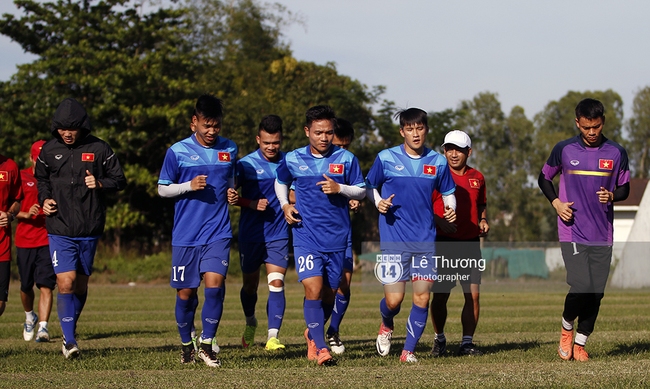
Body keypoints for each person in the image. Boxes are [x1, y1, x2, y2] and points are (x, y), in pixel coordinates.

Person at [538, 98, 630, 362]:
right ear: (577, 123)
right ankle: (567, 328)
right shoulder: (564, 149)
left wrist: (612, 196)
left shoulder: (616, 152)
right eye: (587, 127)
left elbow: (624, 187)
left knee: (597, 291)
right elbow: (544, 177)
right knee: (581, 285)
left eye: (597, 127)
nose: (592, 133)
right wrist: (556, 203)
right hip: (572, 230)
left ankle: (580, 343)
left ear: (603, 123)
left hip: (602, 233)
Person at [35, 98, 126, 359]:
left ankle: (68, 329)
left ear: (82, 127)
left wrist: (99, 183)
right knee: (66, 282)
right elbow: (41, 179)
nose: (67, 133)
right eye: (62, 128)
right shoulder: (48, 150)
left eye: (72, 128)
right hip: (59, 227)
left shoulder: (99, 148)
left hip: (89, 227)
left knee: (80, 286)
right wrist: (45, 200)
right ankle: (70, 341)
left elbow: (119, 180)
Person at [275, 105, 365, 366]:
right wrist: (284, 205)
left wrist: (340, 188)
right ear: (307, 131)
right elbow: (280, 182)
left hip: (337, 238)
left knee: (330, 294)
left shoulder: (346, 159)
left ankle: (312, 333)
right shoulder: (292, 159)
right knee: (313, 289)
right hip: (306, 236)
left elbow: (361, 191)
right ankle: (323, 348)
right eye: (318, 132)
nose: (324, 138)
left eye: (328, 132)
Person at [365, 107, 456, 363]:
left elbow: (448, 192)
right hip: (394, 240)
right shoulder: (385, 158)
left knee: (422, 297)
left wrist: (451, 210)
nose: (416, 134)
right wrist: (378, 202)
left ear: (426, 129)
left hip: (425, 241)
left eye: (420, 128)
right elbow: (370, 186)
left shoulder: (437, 162)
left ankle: (408, 351)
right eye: (410, 129)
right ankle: (386, 323)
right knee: (394, 301)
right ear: (402, 131)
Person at [158, 94, 237, 367]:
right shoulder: (177, 151)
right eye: (207, 125)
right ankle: (186, 344)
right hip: (186, 235)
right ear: (194, 122)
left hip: (218, 231)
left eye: (217, 126)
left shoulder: (229, 149)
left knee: (215, 285)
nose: (212, 131)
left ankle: (207, 344)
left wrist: (232, 192)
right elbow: (162, 188)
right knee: (186, 294)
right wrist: (188, 186)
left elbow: (230, 177)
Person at [226, 115, 289, 351]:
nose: (271, 147)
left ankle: (273, 337)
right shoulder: (246, 165)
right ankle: (251, 322)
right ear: (257, 140)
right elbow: (231, 195)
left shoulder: (289, 163)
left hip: (278, 233)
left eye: (276, 143)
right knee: (250, 286)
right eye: (266, 143)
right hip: (251, 235)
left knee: (276, 283)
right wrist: (250, 203)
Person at [429, 130, 489, 357]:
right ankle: (439, 340)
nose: (453, 154)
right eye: (449, 149)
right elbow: (423, 207)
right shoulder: (435, 175)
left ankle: (467, 343)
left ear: (469, 152)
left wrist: (483, 220)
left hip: (470, 243)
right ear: (444, 151)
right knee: (441, 294)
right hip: (443, 243)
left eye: (459, 150)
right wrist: (440, 223)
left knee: (472, 295)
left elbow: (481, 204)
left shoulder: (478, 177)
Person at [324, 117, 359, 354]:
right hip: (316, 235)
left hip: (343, 232)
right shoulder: (314, 161)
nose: (342, 150)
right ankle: (314, 333)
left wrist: (351, 196)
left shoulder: (348, 164)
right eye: (339, 145)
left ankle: (333, 331)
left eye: (347, 146)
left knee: (344, 285)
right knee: (321, 289)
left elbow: (357, 188)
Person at [16, 140, 56, 343]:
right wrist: (25, 213)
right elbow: (11, 211)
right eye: (39, 158)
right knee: (25, 286)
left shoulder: (54, 178)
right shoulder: (21, 177)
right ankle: (29, 316)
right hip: (24, 240)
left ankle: (43, 328)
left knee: (46, 285)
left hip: (47, 239)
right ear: (32, 158)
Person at [0, 149, 23, 319]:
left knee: (0, 302)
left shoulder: (10, 166)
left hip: (2, 243)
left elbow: (17, 200)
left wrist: (9, 215)